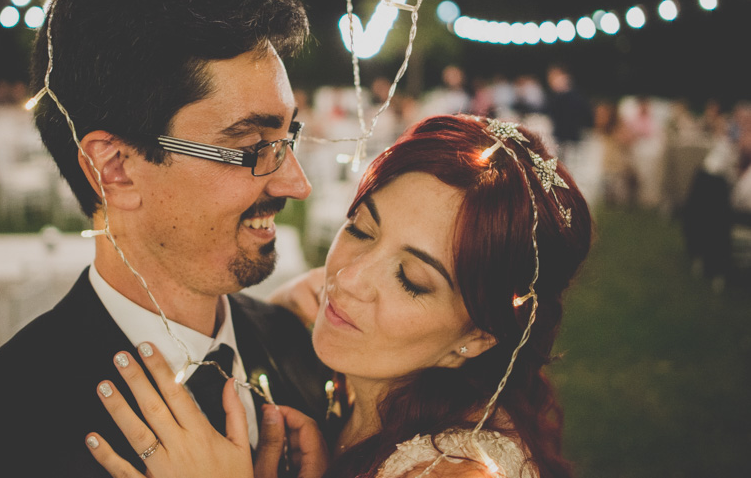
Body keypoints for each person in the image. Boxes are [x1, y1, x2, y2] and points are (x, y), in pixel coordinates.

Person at [0, 0, 329, 476]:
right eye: (250, 147)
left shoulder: (307, 355)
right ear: (116, 168)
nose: (297, 183)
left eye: (288, 138)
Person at [84, 114, 593, 478]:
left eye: (411, 279)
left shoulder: (460, 470)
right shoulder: (349, 400)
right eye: (361, 230)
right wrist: (267, 322)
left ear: (480, 336)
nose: (347, 280)